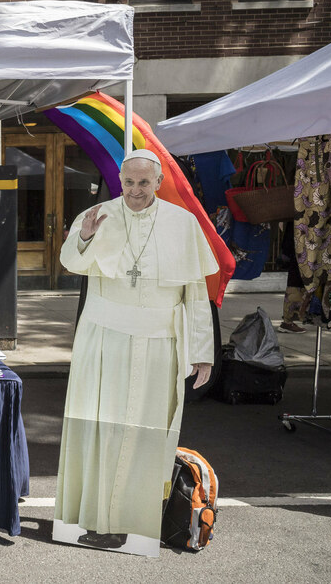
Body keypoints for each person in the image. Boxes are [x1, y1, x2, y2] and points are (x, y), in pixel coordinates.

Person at [53, 148, 218, 556]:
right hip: (103, 339)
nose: (135, 190)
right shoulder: (98, 214)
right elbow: (69, 261)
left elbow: (196, 295)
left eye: (144, 182)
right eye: (129, 182)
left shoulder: (182, 223)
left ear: (158, 182)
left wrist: (202, 350)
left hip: (159, 342)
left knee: (145, 433)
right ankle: (92, 518)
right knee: (99, 427)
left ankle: (136, 523)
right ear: (120, 181)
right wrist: (87, 235)